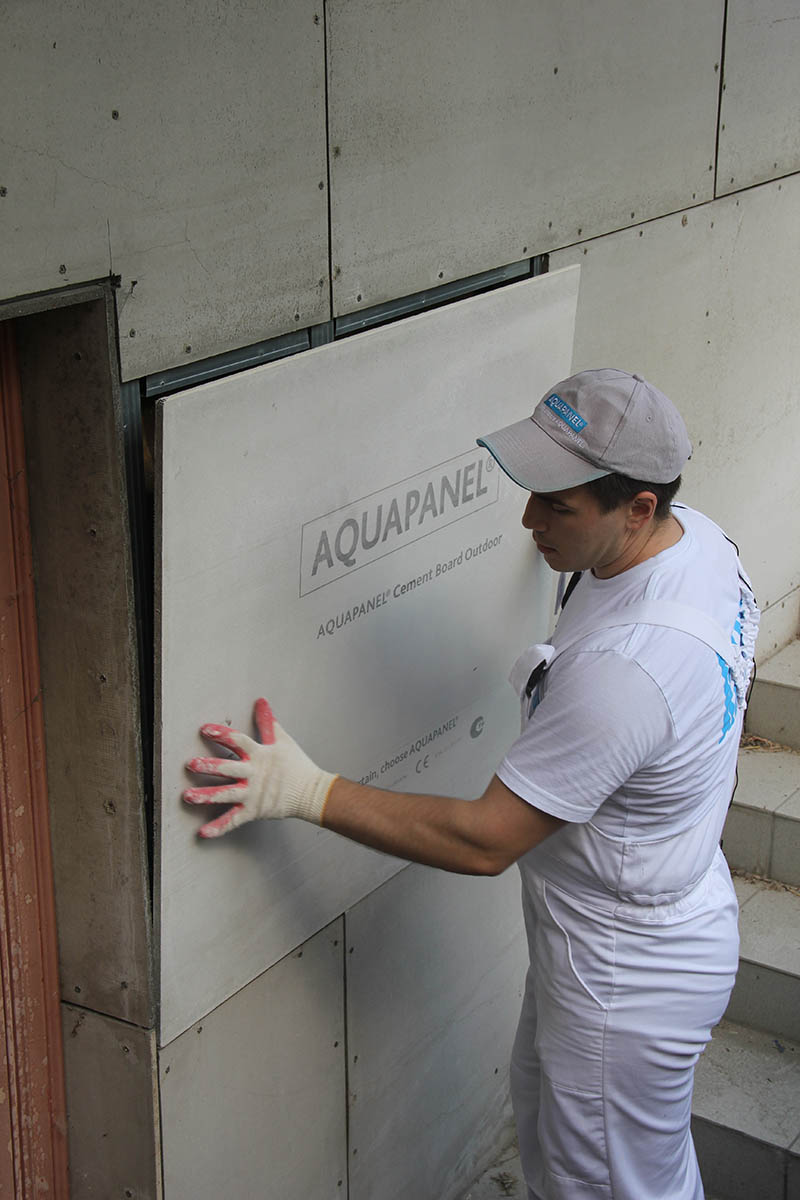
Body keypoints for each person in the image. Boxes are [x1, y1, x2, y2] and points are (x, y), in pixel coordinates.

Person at [184, 368, 758, 1200]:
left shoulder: (629, 672)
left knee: (613, 1184)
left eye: (556, 505)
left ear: (637, 508)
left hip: (626, 969)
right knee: (568, 1145)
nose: (528, 521)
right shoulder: (694, 539)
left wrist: (305, 792)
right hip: (630, 913)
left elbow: (486, 840)